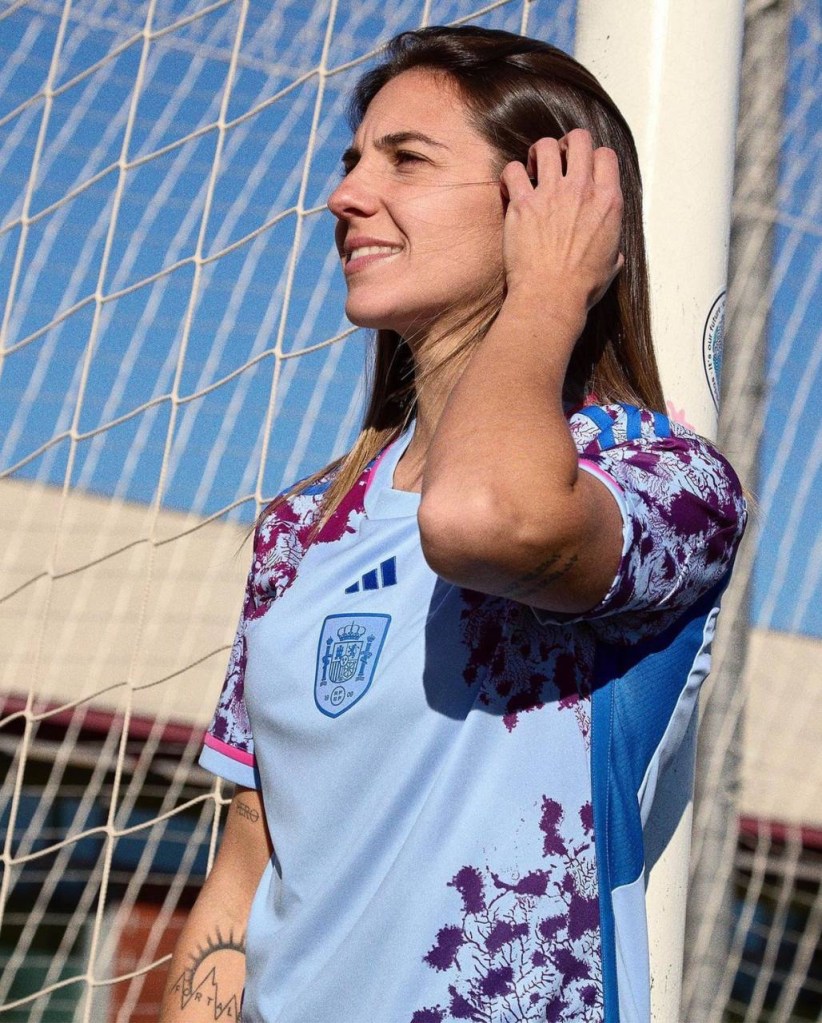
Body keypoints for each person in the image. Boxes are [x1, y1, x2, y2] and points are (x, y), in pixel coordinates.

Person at [160, 25, 745, 1023]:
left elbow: (481, 520)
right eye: (353, 160)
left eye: (406, 160)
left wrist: (549, 287)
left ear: (546, 200)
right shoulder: (300, 530)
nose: (344, 196)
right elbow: (249, 859)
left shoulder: (663, 481)